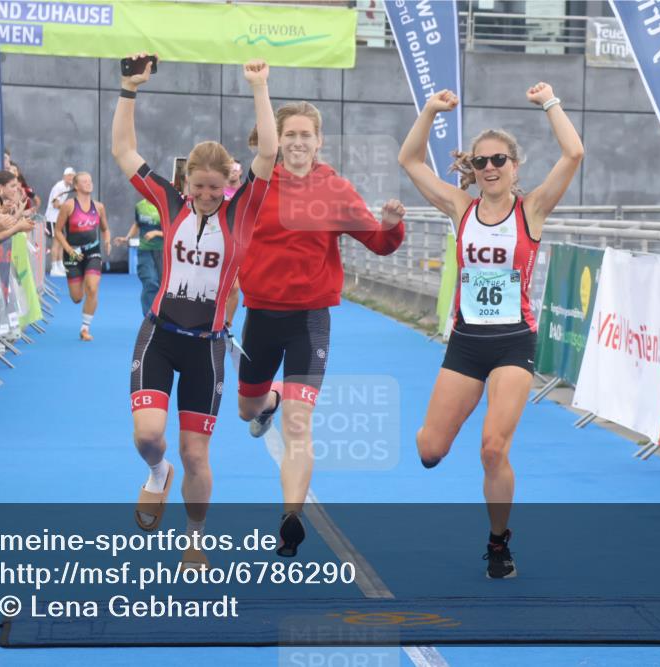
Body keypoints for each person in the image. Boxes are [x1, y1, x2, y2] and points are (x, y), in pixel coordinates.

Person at [398, 83, 583, 579]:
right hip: (466, 342)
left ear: (515, 167)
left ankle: (498, 542)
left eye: (500, 159)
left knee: (492, 448)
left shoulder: (532, 211)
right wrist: (432, 110)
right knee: (430, 450)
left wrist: (549, 102)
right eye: (482, 162)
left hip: (512, 342)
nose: (491, 168)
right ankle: (437, 441)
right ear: (473, 170)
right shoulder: (461, 208)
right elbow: (410, 160)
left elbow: (574, 152)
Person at [111, 54, 277, 568]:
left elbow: (268, 152)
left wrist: (259, 88)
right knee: (148, 437)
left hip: (207, 349)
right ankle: (156, 475)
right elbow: (123, 150)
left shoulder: (240, 210)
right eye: (197, 187)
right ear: (186, 184)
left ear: (224, 185)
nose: (205, 196)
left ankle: (195, 537)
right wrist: (129, 89)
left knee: (196, 454)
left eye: (213, 188)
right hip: (159, 336)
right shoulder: (167, 201)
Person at [231, 101, 406, 558]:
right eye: (290, 134)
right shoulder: (258, 184)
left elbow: (379, 243)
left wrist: (391, 226)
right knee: (247, 410)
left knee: (299, 422)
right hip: (261, 317)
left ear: (319, 140)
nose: (297, 142)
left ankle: (291, 516)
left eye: (306, 134)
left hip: (310, 320)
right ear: (278, 139)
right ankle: (267, 400)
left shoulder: (335, 190)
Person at [53, 171, 110, 341]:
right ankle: (83, 282)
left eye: (90, 181)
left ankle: (85, 328)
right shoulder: (69, 206)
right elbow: (58, 231)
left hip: (93, 251)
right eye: (84, 181)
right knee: (77, 297)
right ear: (76, 186)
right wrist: (69, 250)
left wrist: (107, 241)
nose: (88, 183)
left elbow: (105, 229)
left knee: (92, 288)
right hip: (73, 254)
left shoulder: (99, 207)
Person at [114, 195, 162, 315]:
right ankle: (149, 317)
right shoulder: (140, 206)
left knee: (163, 285)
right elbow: (137, 224)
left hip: (163, 252)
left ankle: (163, 315)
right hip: (144, 250)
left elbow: (173, 229)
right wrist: (127, 238)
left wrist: (157, 233)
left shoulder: (164, 206)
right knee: (149, 281)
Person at [45, 167, 75, 276]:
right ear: (64, 176)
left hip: (59, 219)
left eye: (73, 176)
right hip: (52, 218)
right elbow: (55, 204)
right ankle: (54, 268)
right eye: (69, 175)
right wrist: (68, 207)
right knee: (56, 242)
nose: (71, 178)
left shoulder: (66, 187)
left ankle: (60, 265)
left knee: (61, 242)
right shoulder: (59, 186)